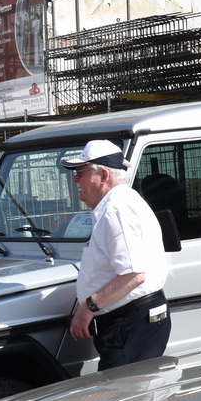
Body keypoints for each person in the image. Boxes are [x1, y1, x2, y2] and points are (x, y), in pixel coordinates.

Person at [63, 139, 171, 370]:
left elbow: (133, 275)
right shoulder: (119, 203)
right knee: (132, 396)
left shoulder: (116, 209)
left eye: (80, 173)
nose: (75, 179)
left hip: (131, 322)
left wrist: (87, 307)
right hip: (131, 321)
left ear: (103, 176)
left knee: (125, 399)